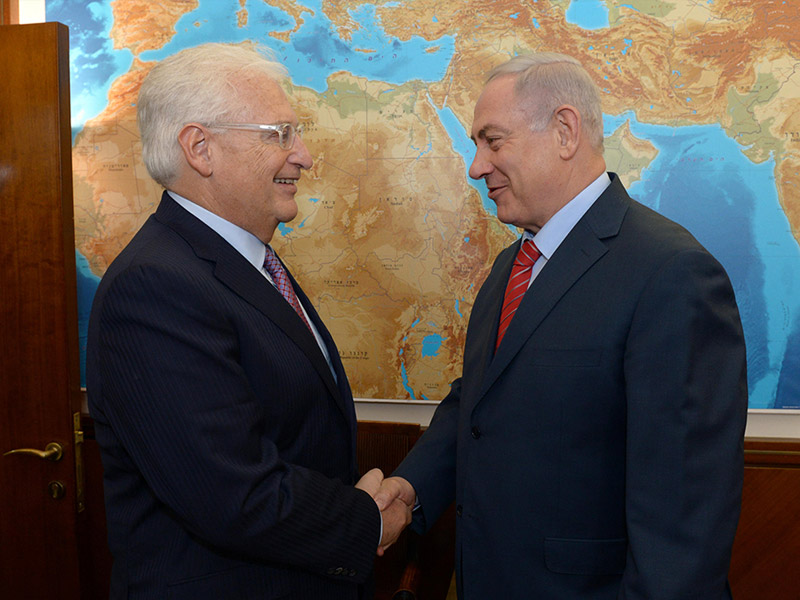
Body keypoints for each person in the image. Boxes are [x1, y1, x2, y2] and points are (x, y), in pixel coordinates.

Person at [375, 53, 748, 599]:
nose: (475, 166)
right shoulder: (512, 266)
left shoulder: (671, 273)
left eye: (493, 141)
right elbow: (477, 403)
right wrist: (409, 490)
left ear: (565, 131)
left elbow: (683, 518)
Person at [87, 43, 410, 600]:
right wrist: (367, 521)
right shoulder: (156, 286)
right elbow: (230, 494)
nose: (304, 155)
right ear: (200, 148)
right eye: (278, 134)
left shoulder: (245, 260)